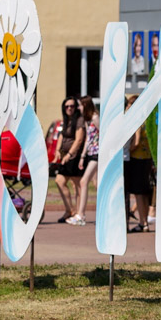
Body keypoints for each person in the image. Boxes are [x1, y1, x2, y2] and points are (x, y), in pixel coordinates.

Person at [52, 96, 86, 223]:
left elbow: (79, 140)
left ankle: (78, 213)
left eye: (72, 106)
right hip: (66, 155)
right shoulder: (66, 120)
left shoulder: (79, 120)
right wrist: (57, 151)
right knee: (59, 181)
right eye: (67, 106)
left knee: (77, 185)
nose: (69, 108)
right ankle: (69, 210)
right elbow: (62, 136)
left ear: (76, 107)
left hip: (75, 156)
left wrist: (69, 154)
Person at [123, 94, 154, 231]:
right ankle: (144, 220)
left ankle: (143, 222)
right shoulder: (147, 119)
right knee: (144, 191)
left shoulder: (137, 120)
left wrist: (127, 150)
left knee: (138, 192)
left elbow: (136, 141)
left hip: (136, 158)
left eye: (129, 105)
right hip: (147, 157)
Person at [69, 96, 100, 225]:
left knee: (83, 181)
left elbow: (103, 133)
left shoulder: (95, 118)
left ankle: (81, 214)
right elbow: (88, 138)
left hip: (98, 154)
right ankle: (103, 212)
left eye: (80, 105)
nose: (78, 108)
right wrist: (82, 156)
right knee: (97, 185)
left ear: (85, 105)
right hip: (91, 154)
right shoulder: (87, 120)